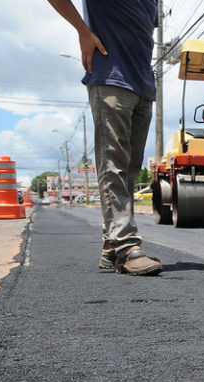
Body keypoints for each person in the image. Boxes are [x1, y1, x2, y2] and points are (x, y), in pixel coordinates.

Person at [48, 0, 163, 276]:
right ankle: (127, 247)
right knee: (113, 165)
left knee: (130, 171)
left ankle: (112, 246)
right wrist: (82, 31)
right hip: (111, 77)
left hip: (143, 85)